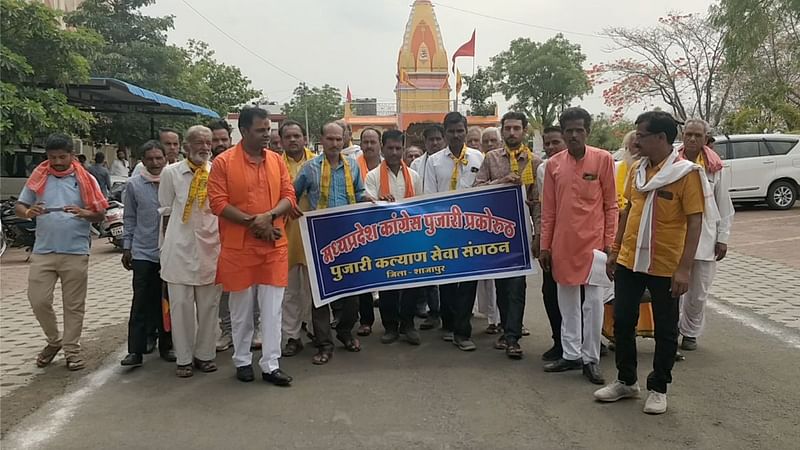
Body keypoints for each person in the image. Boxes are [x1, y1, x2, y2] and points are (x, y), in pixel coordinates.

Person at [595, 111, 715, 415]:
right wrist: (614, 249)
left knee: (665, 328)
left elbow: (695, 223)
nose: (636, 140)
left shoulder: (686, 174)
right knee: (622, 321)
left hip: (665, 265)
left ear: (661, 138)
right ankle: (626, 381)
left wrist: (685, 268)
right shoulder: (637, 170)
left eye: (642, 135)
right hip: (629, 260)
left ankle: (659, 387)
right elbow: (627, 212)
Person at [208, 107, 296, 386]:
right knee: (241, 310)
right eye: (260, 131)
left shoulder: (276, 161)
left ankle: (271, 364)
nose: (267, 136)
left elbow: (289, 196)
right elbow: (218, 203)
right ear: (244, 131)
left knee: (272, 310)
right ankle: (242, 360)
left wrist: (269, 217)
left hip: (273, 244)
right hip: (239, 248)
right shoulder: (223, 163)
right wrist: (254, 223)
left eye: (268, 129)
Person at [16, 133, 108, 371]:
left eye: (62, 156)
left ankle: (72, 351)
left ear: (72, 156)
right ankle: (54, 341)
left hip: (75, 251)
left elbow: (99, 213)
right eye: (52, 157)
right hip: (43, 250)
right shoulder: (38, 177)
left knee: (73, 304)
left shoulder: (86, 179)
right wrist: (28, 212)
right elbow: (20, 205)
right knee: (38, 300)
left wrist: (83, 212)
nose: (57, 161)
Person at [540, 107, 618, 385]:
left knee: (594, 304)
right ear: (562, 132)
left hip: (595, 245)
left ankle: (591, 358)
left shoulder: (603, 160)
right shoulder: (553, 165)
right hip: (562, 243)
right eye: (569, 130)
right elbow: (548, 209)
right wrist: (545, 246)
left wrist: (611, 244)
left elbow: (612, 205)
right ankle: (570, 354)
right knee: (567, 301)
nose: (573, 135)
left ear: (588, 131)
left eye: (579, 130)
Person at [293, 121, 368, 364]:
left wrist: (377, 201)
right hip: (320, 239)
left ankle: (345, 331)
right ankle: (324, 344)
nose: (335, 144)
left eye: (339, 139)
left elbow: (358, 194)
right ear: (321, 139)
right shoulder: (310, 168)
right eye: (330, 139)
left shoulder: (352, 166)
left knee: (352, 293)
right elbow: (292, 195)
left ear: (345, 139)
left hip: (348, 238)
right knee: (320, 295)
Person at [474, 112, 542, 359]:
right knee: (503, 285)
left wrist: (538, 235)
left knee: (516, 286)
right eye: (508, 128)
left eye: (516, 128)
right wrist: (501, 182)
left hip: (522, 234)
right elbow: (477, 189)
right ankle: (506, 328)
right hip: (497, 233)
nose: (512, 133)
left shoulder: (535, 162)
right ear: (502, 131)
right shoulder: (491, 159)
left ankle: (513, 337)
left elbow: (538, 203)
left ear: (524, 131)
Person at [159, 125, 221, 378]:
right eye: (199, 142)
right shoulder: (171, 173)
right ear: (186, 147)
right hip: (180, 248)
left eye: (208, 143)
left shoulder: (217, 171)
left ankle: (205, 355)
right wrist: (162, 249)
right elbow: (164, 208)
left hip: (210, 246)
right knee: (181, 306)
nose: (205, 147)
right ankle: (183, 359)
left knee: (209, 306)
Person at [423, 112, 484, 351]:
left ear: (466, 131)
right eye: (451, 131)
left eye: (460, 131)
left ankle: (463, 331)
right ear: (445, 133)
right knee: (447, 282)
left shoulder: (478, 157)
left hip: (472, 230)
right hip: (445, 230)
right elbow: (429, 195)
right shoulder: (434, 161)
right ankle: (449, 324)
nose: (456, 135)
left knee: (469, 282)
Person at [676, 119, 734, 351]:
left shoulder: (715, 167)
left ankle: (690, 333)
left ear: (705, 138)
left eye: (697, 135)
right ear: (682, 135)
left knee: (698, 293)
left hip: (706, 239)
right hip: (676, 237)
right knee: (674, 290)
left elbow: (724, 206)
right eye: (688, 134)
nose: (692, 139)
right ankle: (670, 331)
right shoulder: (672, 163)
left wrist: (723, 237)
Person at [365, 130, 423, 345]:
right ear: (382, 147)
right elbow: (366, 198)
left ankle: (408, 325)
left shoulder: (414, 176)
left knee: (411, 284)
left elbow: (420, 205)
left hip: (409, 238)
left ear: (404, 148)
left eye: (399, 148)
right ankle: (390, 327)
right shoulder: (372, 176)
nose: (395, 152)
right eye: (390, 148)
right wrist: (378, 199)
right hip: (384, 239)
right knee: (387, 283)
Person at [120, 140, 175, 367]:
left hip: (171, 251)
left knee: (167, 302)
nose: (154, 163)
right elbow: (130, 217)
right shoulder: (133, 185)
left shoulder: (175, 181)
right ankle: (135, 351)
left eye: (158, 158)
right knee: (140, 301)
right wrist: (127, 246)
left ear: (165, 158)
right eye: (150, 159)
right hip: (143, 251)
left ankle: (167, 346)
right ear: (142, 160)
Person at [278, 120, 316, 358]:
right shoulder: (273, 164)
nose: (293, 140)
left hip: (314, 232)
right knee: (289, 290)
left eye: (297, 136)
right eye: (288, 136)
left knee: (314, 288)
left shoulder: (317, 163)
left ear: (305, 138)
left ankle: (316, 330)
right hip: (285, 233)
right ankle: (292, 336)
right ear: (281, 141)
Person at [536, 126, 568, 361]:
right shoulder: (544, 168)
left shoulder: (596, 162)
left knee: (585, 297)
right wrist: (543, 242)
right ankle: (560, 341)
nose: (550, 148)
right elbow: (545, 210)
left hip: (583, 242)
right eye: (547, 143)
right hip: (554, 240)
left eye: (555, 143)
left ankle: (587, 342)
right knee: (551, 292)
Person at [410, 124, 445, 331]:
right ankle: (432, 312)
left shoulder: (449, 162)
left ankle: (446, 312)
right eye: (430, 140)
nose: (434, 143)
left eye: (438, 139)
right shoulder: (416, 164)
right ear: (425, 142)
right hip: (421, 223)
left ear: (444, 140)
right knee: (428, 271)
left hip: (447, 222)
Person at [474, 126, 503, 335]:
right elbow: (478, 188)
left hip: (509, 227)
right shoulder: (481, 162)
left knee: (510, 279)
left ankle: (510, 321)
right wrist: (500, 183)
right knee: (487, 279)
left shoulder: (525, 160)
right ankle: (493, 319)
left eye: (494, 141)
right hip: (484, 226)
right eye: (487, 142)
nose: (490, 145)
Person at [355, 127, 383, 337]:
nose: (369, 146)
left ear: (379, 144)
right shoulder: (352, 167)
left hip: (387, 228)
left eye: (373, 142)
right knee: (364, 274)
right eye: (365, 142)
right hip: (361, 228)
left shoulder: (388, 166)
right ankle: (365, 320)